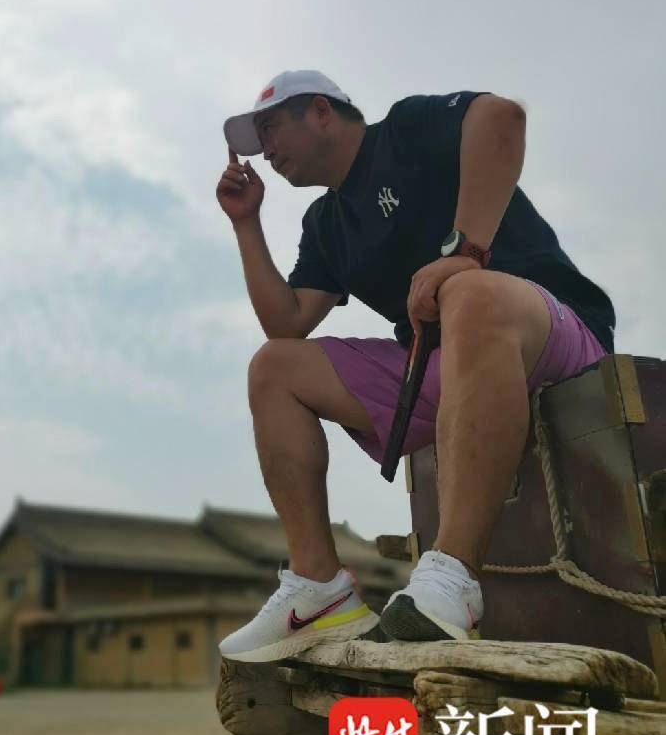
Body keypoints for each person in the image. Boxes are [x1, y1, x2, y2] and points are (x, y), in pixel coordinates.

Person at [214, 70, 614, 661]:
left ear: (321, 112)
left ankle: (452, 577)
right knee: (274, 368)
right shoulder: (325, 224)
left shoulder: (402, 131)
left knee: (467, 292)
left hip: (548, 333)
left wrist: (466, 253)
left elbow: (501, 116)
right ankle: (318, 590)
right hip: (444, 363)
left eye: (271, 129)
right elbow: (287, 322)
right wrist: (245, 222)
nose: (265, 151)